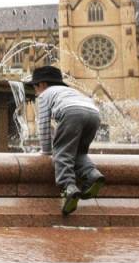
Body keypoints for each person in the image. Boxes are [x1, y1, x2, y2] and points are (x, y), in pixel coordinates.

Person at [28, 65, 105, 215]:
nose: (35, 91)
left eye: (35, 87)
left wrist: (46, 151)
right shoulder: (71, 91)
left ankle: (68, 188)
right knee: (79, 152)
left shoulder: (44, 95)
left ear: (42, 84)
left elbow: (43, 125)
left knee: (61, 152)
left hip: (72, 112)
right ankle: (92, 175)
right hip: (94, 114)